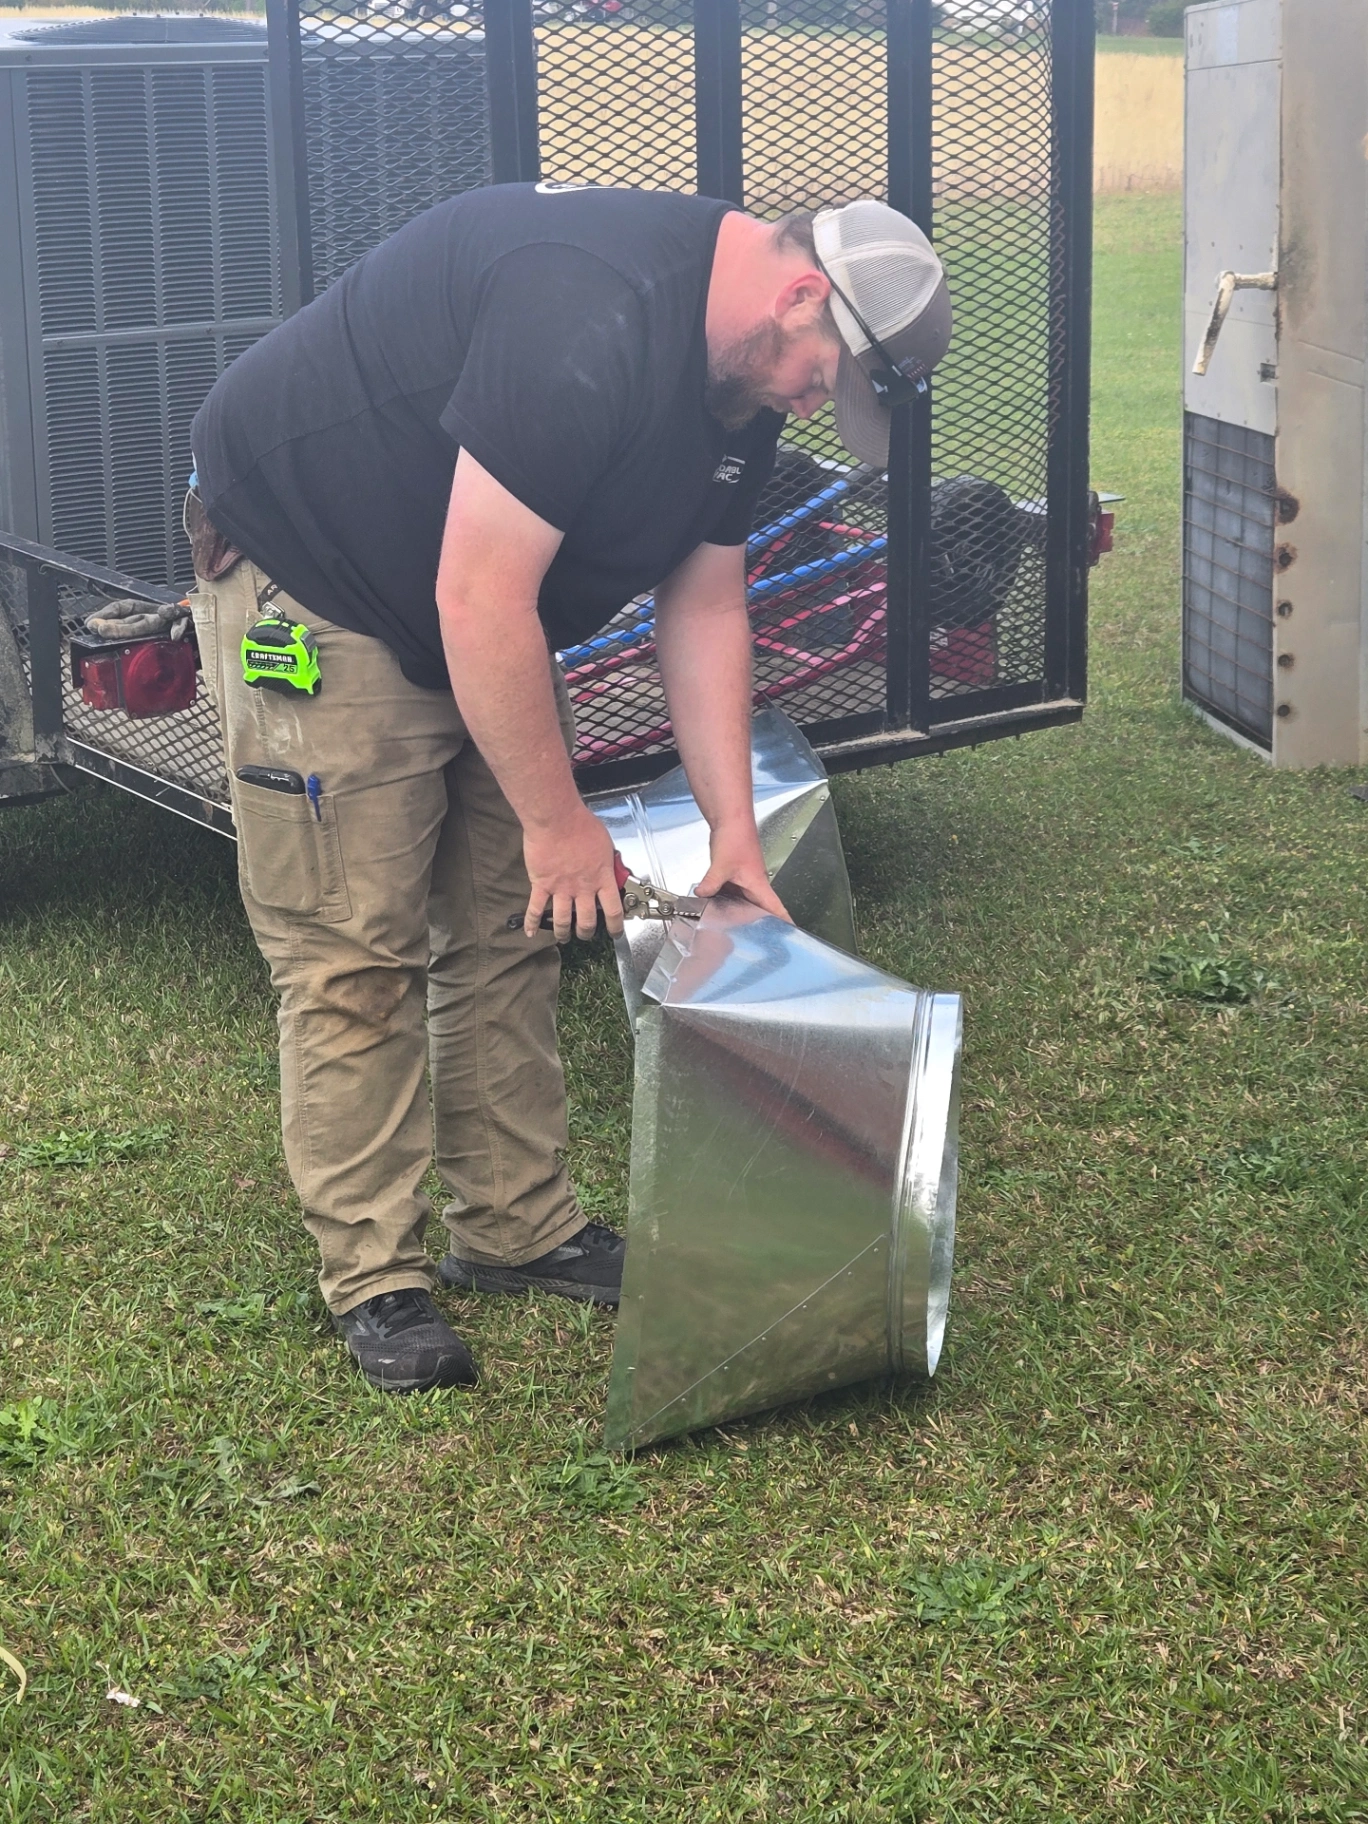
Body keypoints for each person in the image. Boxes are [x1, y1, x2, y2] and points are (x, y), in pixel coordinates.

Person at [186, 184, 951, 1395]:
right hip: (323, 581)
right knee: (354, 950)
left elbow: (705, 602)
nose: (814, 403)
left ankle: (516, 1226)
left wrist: (734, 833)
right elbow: (477, 595)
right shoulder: (588, 313)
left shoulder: (740, 382)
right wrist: (557, 822)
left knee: (515, 924)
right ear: (802, 294)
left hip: (481, 598)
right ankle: (375, 1274)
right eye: (826, 378)